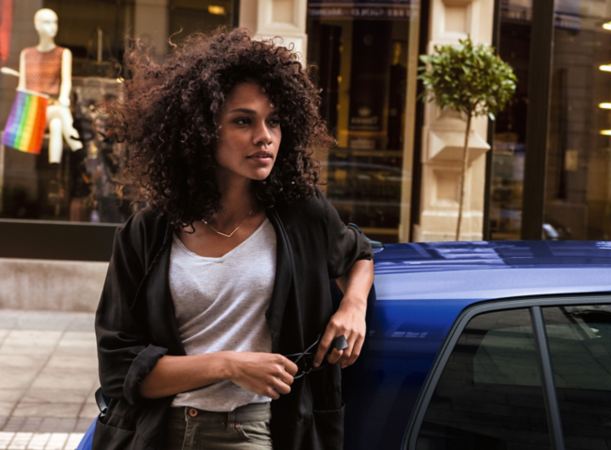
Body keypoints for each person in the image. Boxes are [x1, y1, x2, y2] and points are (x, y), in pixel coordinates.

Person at [94, 29, 374, 450]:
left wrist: (353, 308)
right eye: (244, 121)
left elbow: (359, 253)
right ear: (203, 131)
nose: (265, 136)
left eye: (274, 120)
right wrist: (228, 364)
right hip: (155, 433)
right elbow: (119, 368)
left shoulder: (302, 214)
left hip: (250, 430)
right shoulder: (148, 231)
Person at [17, 8, 83, 163]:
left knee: (56, 124)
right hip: (33, 110)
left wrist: (64, 98)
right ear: (37, 25)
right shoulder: (26, 54)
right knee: (60, 114)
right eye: (47, 22)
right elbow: (22, 87)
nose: (52, 26)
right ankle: (81, 152)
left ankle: (54, 166)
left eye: (55, 22)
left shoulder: (63, 53)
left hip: (53, 108)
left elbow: (66, 81)